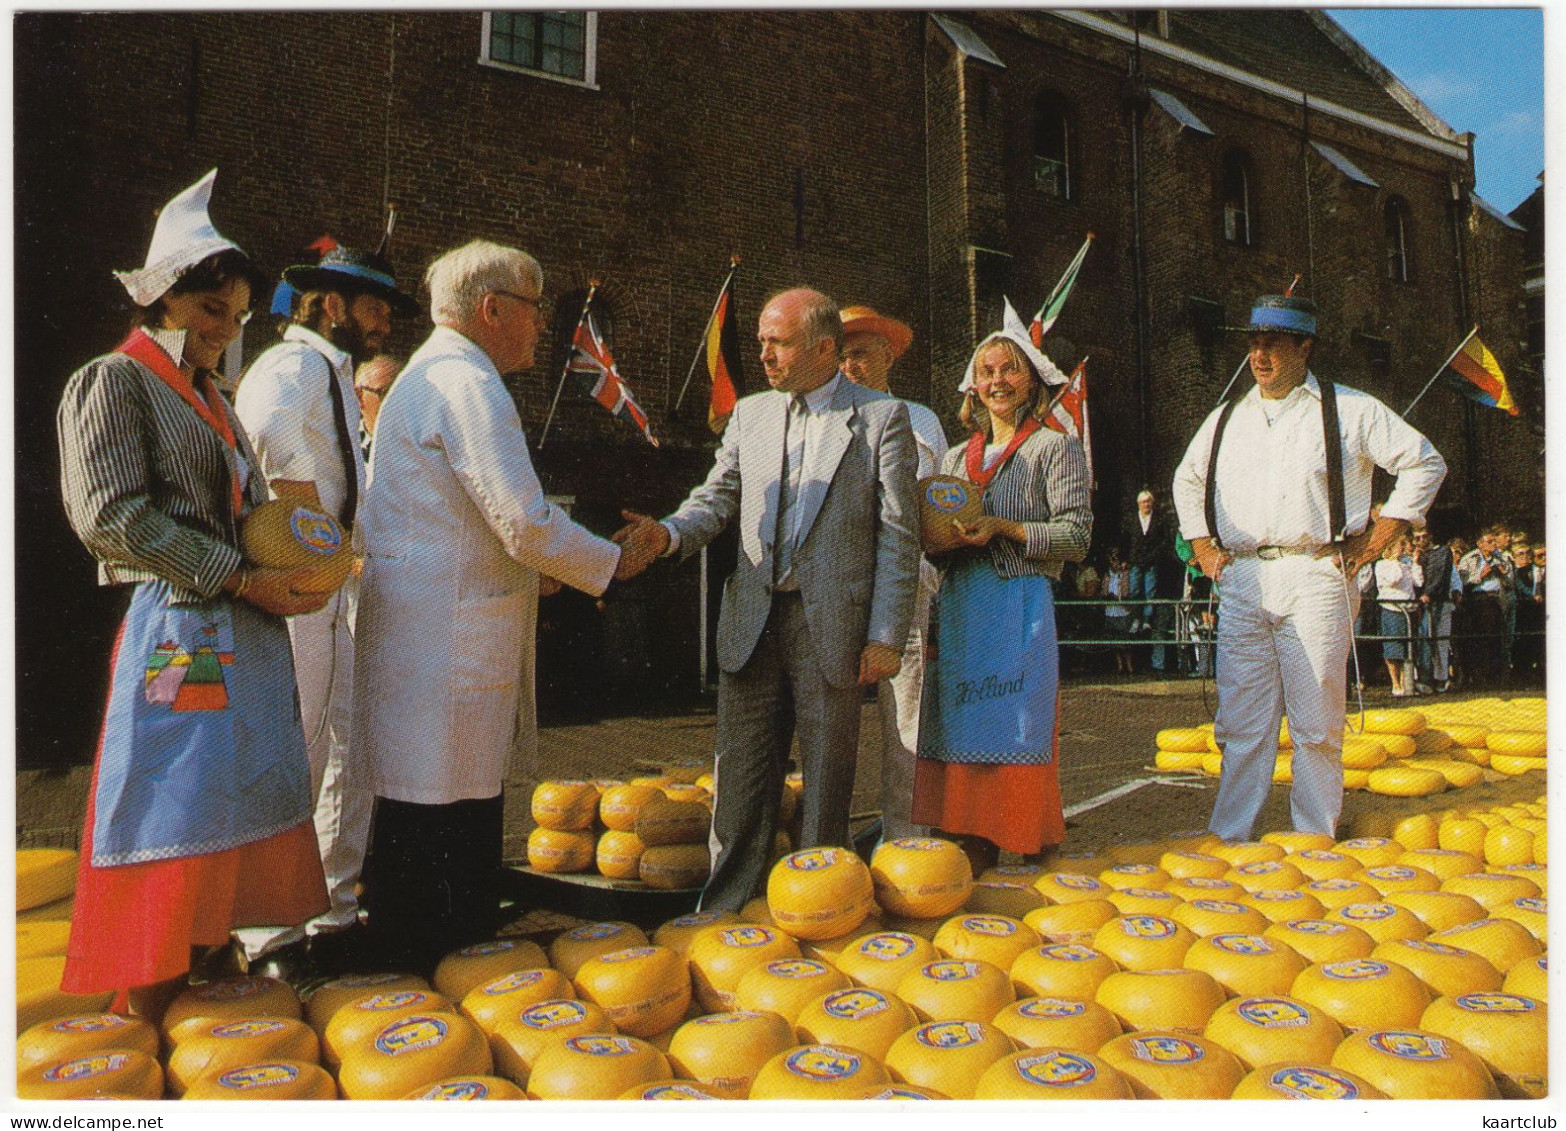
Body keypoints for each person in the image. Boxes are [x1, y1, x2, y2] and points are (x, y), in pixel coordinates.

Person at [56, 169, 330, 1017]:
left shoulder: (211, 395)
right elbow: (108, 515)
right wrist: (242, 574)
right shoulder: (116, 380)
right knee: (172, 805)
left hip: (242, 631)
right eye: (212, 310)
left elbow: (245, 511)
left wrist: (297, 555)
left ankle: (210, 1011)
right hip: (180, 628)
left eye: (239, 316)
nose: (226, 331)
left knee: (234, 803)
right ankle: (142, 1018)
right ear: (162, 300)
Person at [351, 240, 646, 973]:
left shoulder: (425, 377)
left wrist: (530, 569)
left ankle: (411, 980)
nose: (543, 326)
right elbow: (523, 519)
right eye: (535, 308)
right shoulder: (468, 384)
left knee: (413, 827)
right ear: (492, 309)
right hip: (448, 650)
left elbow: (454, 519)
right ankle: (449, 986)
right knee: (449, 839)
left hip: (425, 639)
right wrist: (611, 564)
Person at [614, 287, 920, 912]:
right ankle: (727, 911)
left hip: (831, 625)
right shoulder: (750, 415)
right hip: (753, 621)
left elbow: (898, 534)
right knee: (742, 779)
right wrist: (668, 534)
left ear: (825, 348)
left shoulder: (882, 419)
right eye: (760, 342)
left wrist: (886, 634)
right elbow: (716, 497)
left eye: (776, 343)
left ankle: (819, 910)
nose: (764, 356)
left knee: (827, 783)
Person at [1171, 294, 1445, 842]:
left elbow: (1425, 461)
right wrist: (1202, 546)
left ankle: (1314, 835)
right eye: (1254, 341)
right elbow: (1186, 480)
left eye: (1273, 342)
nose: (1260, 354)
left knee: (1316, 717)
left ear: (1305, 347)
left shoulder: (1351, 409)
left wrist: (1382, 533)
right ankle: (1231, 837)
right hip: (1244, 575)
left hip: (1318, 570)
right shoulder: (1227, 416)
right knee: (1242, 720)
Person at [232, 245, 419, 976]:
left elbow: (350, 481)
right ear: (332, 304)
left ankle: (331, 910)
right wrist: (316, 544)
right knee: (292, 756)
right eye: (376, 309)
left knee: (343, 753)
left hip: (330, 589)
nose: (383, 326)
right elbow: (275, 448)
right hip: (296, 588)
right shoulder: (294, 366)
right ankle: (264, 936)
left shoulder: (333, 374)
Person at [913, 309, 1092, 872]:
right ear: (972, 385)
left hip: (1017, 601)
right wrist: (936, 539)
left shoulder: (1054, 449)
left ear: (1032, 382)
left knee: (1013, 722)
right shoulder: (950, 460)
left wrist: (1005, 528)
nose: (996, 382)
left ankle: (1020, 835)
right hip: (962, 602)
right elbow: (933, 538)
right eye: (985, 371)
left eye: (1009, 370)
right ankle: (967, 837)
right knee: (959, 722)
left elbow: (1078, 535)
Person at [840, 304, 947, 841]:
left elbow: (936, 505)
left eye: (859, 353)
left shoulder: (918, 417)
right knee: (827, 720)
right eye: (840, 355)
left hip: (901, 586)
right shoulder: (825, 420)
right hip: (836, 588)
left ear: (887, 354)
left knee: (905, 718)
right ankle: (822, 844)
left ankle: (908, 841)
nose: (849, 365)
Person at [1121, 490, 1172, 672]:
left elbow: (1163, 540)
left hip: (1151, 561)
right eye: (1143, 502)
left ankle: (1147, 619)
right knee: (1135, 590)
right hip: (1136, 560)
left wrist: (1154, 556)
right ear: (1138, 503)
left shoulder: (1158, 520)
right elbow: (1125, 540)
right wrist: (1125, 558)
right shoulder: (1131, 520)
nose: (1146, 505)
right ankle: (1136, 618)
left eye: (1149, 501)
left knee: (1150, 591)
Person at [1457, 527, 1511, 689]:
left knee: (1498, 639)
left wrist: (1503, 574)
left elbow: (1510, 583)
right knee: (1481, 640)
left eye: (1494, 540)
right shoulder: (1469, 558)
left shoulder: (1501, 558)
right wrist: (1480, 576)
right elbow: (1462, 581)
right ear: (1479, 544)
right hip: (1478, 601)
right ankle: (1480, 678)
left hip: (1497, 600)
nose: (1494, 544)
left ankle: (1496, 677)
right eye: (1490, 541)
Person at [1371, 535, 1423, 697]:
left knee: (1409, 647)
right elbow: (1394, 579)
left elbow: (1419, 582)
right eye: (1401, 544)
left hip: (1409, 609)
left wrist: (1414, 563)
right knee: (1393, 647)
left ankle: (1408, 682)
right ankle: (1396, 683)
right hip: (1392, 609)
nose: (1404, 547)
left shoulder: (1405, 564)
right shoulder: (1382, 565)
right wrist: (1394, 561)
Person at [1414, 526, 1457, 693]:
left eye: (1424, 537)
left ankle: (1441, 678)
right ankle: (1426, 678)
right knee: (1425, 639)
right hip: (1423, 603)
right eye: (1417, 538)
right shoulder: (1418, 555)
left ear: (1430, 536)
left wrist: (1428, 593)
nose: (1421, 541)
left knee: (1440, 640)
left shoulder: (1443, 552)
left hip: (1439, 601)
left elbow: (1440, 576)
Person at [354, 353, 403, 458]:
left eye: (401, 393)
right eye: (386, 393)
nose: (397, 402)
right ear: (359, 396)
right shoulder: (343, 447)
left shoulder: (421, 444)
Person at [1103, 547, 1135, 675]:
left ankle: (1130, 666)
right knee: (1115, 641)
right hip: (1111, 612)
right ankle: (1120, 666)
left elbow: (1126, 592)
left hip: (1123, 612)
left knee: (1125, 641)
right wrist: (1108, 595)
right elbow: (1104, 592)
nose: (1115, 562)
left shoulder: (1126, 574)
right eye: (1112, 559)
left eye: (1117, 558)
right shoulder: (1107, 575)